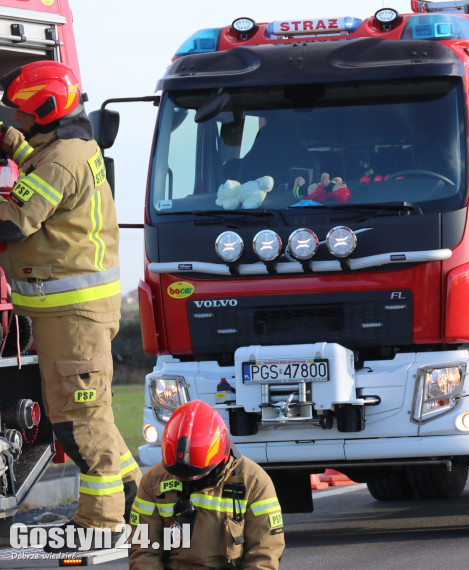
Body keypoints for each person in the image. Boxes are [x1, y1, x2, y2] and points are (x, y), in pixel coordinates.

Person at [0, 61, 140, 532]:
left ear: (44, 111)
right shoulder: (70, 148)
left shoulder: (62, 159)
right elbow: (42, 164)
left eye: (21, 115)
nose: (16, 121)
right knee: (92, 413)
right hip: (71, 313)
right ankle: (136, 501)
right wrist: (15, 146)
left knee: (79, 421)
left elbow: (14, 220)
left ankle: (101, 522)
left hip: (73, 315)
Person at [129, 400, 285, 569]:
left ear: (221, 457)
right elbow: (143, 550)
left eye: (197, 474)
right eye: (180, 475)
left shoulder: (253, 482)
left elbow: (264, 554)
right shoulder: (153, 481)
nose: (188, 480)